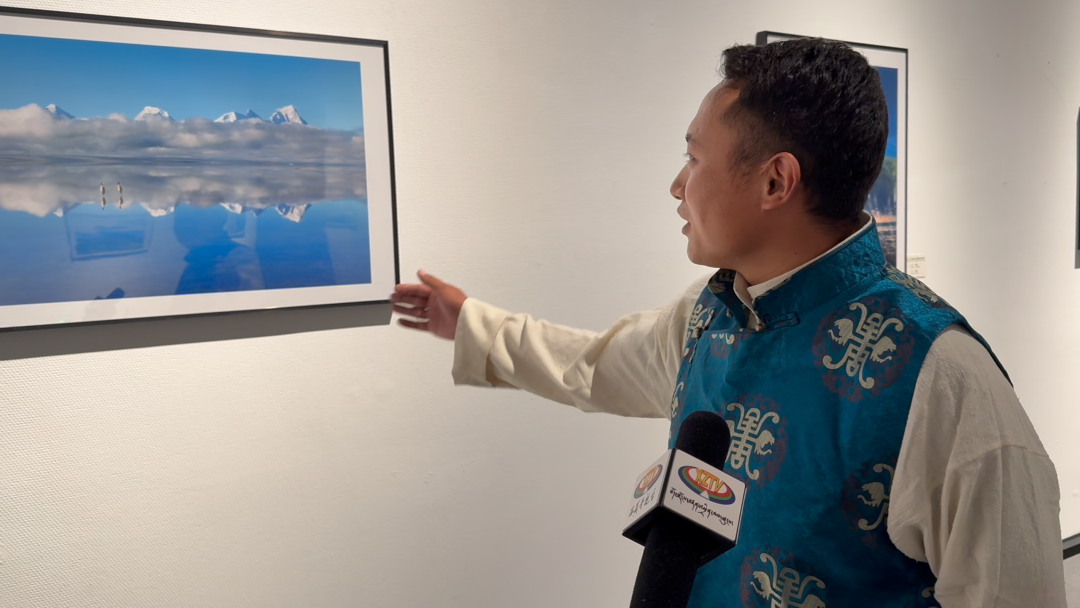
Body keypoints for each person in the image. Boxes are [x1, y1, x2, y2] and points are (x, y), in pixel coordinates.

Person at [391, 38, 1067, 607]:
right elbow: (593, 366)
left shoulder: (941, 376)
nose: (677, 186)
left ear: (775, 182)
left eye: (693, 158)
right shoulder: (709, 314)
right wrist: (472, 323)